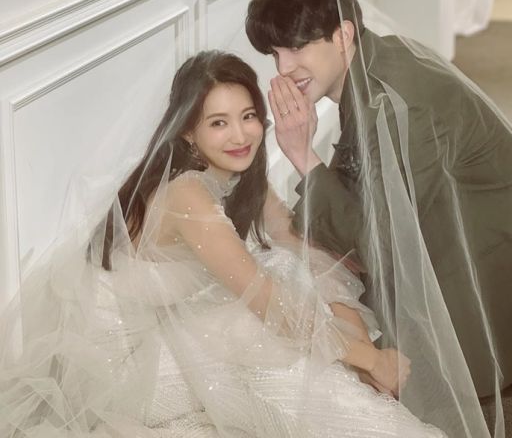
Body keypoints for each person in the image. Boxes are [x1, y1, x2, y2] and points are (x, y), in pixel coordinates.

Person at [0, 50, 446, 438]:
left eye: (248, 116)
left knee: (287, 274)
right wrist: (369, 358)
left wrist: (355, 338)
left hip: (167, 331)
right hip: (127, 371)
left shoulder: (237, 178)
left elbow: (301, 248)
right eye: (219, 123)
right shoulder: (185, 193)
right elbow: (264, 297)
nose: (240, 135)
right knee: (257, 325)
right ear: (188, 132)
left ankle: (360, 406)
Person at [246, 0, 512, 437]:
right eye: (275, 53)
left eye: (296, 48)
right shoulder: (375, 63)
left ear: (343, 35)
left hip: (491, 262)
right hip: (471, 224)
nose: (283, 68)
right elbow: (366, 181)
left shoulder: (396, 103)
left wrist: (301, 154)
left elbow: (379, 242)